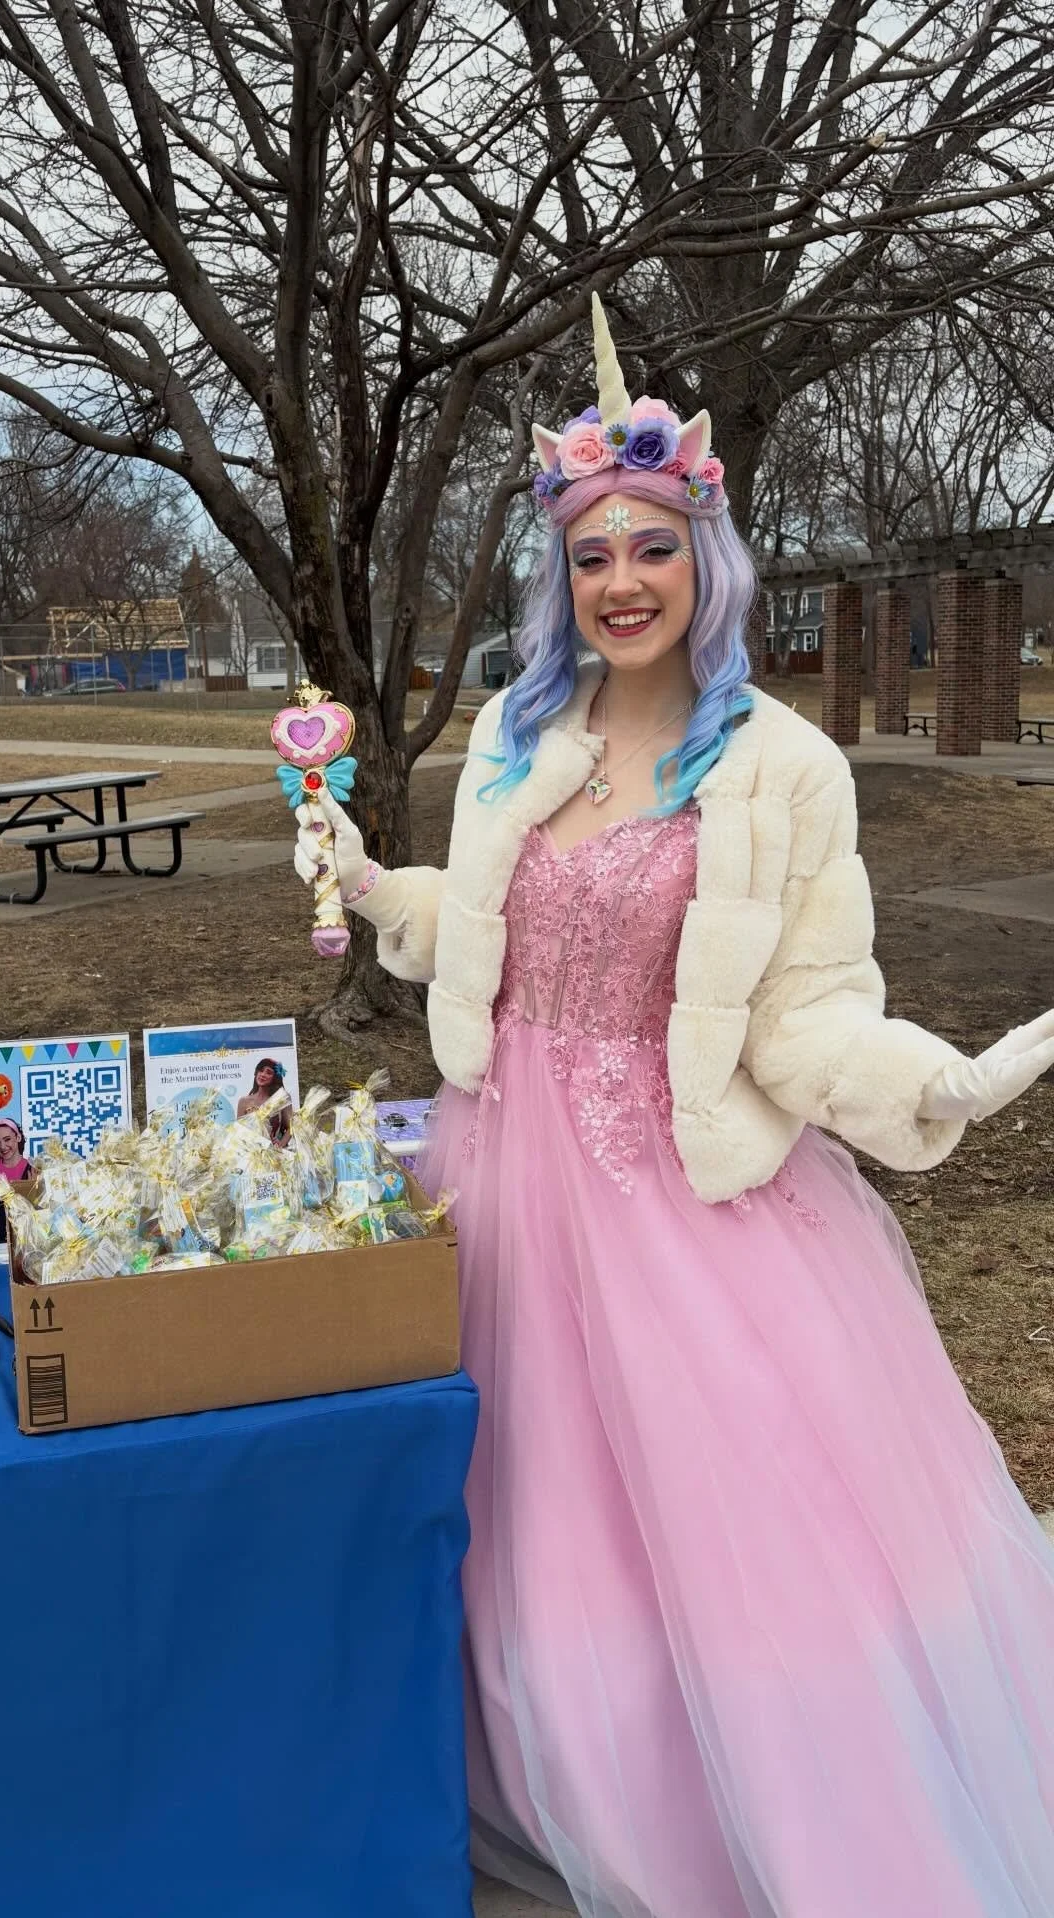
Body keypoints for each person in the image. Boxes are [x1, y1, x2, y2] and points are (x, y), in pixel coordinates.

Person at [295, 298, 1054, 1916]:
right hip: (507, 1176)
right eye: (591, 553)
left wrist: (922, 1077)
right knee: (531, 1517)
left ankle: (750, 1819)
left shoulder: (783, 767)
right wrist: (370, 881)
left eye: (652, 544)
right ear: (559, 579)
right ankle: (559, 1780)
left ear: (706, 559)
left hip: (687, 1192)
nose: (621, 578)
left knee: (744, 1528)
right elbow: (485, 931)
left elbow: (811, 1001)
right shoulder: (516, 735)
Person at [236, 1058, 290, 1143]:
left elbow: (292, 1127)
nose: (263, 1075)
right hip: (249, 1152)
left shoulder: (281, 1100)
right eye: (261, 1071)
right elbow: (238, 1132)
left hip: (272, 1153)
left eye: (268, 1072)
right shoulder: (243, 1101)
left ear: (275, 1077)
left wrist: (280, 1145)